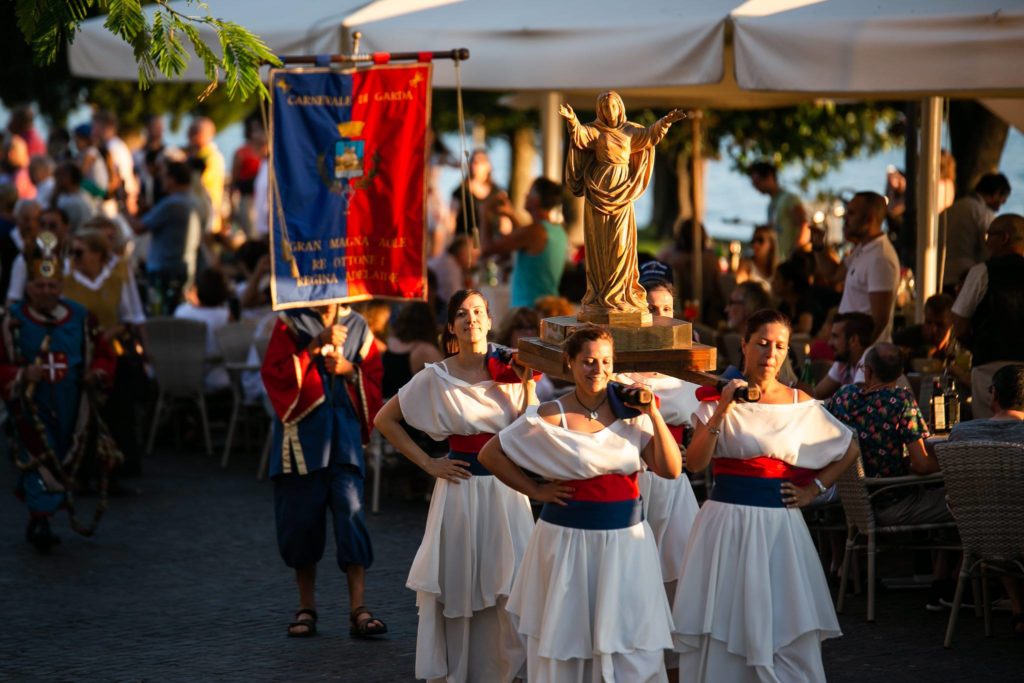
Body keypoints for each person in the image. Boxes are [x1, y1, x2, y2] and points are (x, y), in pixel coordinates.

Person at [479, 325, 682, 681]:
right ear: (570, 363)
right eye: (588, 361)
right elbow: (490, 453)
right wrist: (535, 490)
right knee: (568, 638)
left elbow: (671, 469)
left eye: (605, 361)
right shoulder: (549, 414)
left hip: (625, 543)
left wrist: (653, 414)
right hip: (567, 541)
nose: (598, 369)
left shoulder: (631, 411)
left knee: (630, 641)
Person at [672, 309, 859, 682]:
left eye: (779, 347)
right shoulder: (713, 398)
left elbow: (849, 446)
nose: (770, 354)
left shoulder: (798, 403)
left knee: (781, 624)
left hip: (778, 525)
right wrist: (723, 407)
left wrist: (814, 490)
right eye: (761, 344)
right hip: (724, 522)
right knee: (723, 620)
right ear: (744, 345)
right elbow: (694, 464)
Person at [374, 289, 536, 682]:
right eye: (462, 314)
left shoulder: (513, 366)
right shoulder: (437, 375)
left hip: (506, 490)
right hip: (460, 492)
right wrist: (429, 463)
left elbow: (530, 430)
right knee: (460, 587)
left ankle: (508, 672)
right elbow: (385, 419)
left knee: (511, 587)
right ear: (451, 326)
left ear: (489, 318)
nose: (471, 320)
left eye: (478, 312)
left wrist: (528, 384)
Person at [260, 302, 385, 639]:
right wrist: (314, 346)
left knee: (351, 516)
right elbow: (274, 374)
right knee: (300, 523)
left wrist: (348, 370)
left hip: (343, 438)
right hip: (302, 441)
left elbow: (374, 378)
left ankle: (358, 606)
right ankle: (306, 606)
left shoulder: (358, 325)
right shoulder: (289, 323)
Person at [0, 234, 115, 551]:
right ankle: (41, 517)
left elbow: (105, 352)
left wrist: (97, 374)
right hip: (31, 408)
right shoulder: (13, 322)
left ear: (61, 286)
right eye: (40, 286)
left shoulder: (80, 318)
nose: (46, 292)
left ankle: (44, 514)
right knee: (36, 456)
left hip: (72, 406)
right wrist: (22, 374)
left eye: (52, 286)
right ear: (28, 287)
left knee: (65, 457)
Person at [619, 277, 701, 681]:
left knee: (675, 581)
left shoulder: (688, 377)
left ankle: (674, 670)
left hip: (672, 489)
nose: (658, 315)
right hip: (630, 486)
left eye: (665, 308)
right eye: (650, 308)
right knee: (632, 582)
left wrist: (690, 449)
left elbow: (706, 435)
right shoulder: (616, 375)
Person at [560, 92, 686, 322]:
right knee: (600, 246)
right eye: (605, 108)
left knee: (620, 246)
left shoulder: (629, 131)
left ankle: (620, 295)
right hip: (597, 192)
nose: (610, 113)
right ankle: (602, 295)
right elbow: (580, 136)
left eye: (613, 107)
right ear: (600, 111)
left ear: (620, 108)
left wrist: (666, 121)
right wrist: (571, 120)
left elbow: (649, 136)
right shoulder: (596, 131)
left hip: (622, 194)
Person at [948, 362, 1024, 635]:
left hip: (983, 534)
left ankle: (1017, 607)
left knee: (999, 505)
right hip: (1017, 530)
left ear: (992, 394)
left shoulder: (962, 433)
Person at [951, 214, 1024, 419]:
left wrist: (974, 344)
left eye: (988, 235)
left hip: (989, 367)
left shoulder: (982, 271)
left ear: (1004, 238)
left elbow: (959, 323)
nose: (986, 241)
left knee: (987, 433)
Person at [818, 191, 900, 344]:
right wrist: (818, 247)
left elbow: (880, 320)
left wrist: (859, 355)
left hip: (865, 356)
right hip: (850, 351)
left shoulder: (880, 258)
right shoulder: (862, 249)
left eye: (851, 213)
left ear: (869, 219)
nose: (845, 218)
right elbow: (834, 274)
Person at [484, 177, 568, 308]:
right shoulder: (558, 230)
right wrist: (511, 215)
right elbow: (525, 240)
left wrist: (484, 214)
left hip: (528, 310)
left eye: (530, 192)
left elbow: (487, 249)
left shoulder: (534, 231)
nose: (526, 195)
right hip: (547, 307)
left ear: (537, 199)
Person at [133, 161, 203, 314]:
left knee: (161, 318)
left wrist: (124, 205)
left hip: (163, 271)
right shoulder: (198, 201)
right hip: (187, 268)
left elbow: (138, 228)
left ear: (173, 179)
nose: (161, 180)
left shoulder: (172, 204)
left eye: (164, 177)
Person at [940, 173, 1011, 287]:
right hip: (966, 279)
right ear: (997, 193)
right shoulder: (984, 214)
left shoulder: (950, 210)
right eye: (1003, 200)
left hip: (940, 276)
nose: (1000, 206)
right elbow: (989, 251)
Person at [174, 268, 235, 393]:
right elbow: (233, 350)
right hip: (216, 379)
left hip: (180, 377)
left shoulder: (181, 312)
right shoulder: (225, 315)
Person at [748, 161, 809, 260]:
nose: (757, 188)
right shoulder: (771, 205)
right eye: (754, 184)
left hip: (792, 264)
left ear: (770, 176)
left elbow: (804, 226)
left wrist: (794, 254)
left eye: (758, 182)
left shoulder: (789, 198)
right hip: (779, 262)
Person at [813, 311, 874, 399]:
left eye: (835, 337)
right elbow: (816, 395)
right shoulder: (844, 360)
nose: (829, 343)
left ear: (853, 340)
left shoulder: (869, 359)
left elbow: (855, 402)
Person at [892, 293, 957, 371]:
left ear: (951, 324)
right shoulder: (904, 338)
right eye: (928, 322)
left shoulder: (958, 345)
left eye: (939, 324)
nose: (933, 329)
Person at [186, 117, 226, 235]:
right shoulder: (195, 155)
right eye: (191, 132)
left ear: (209, 135)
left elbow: (199, 183)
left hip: (207, 210)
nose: (192, 136)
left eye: (196, 132)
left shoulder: (212, 158)